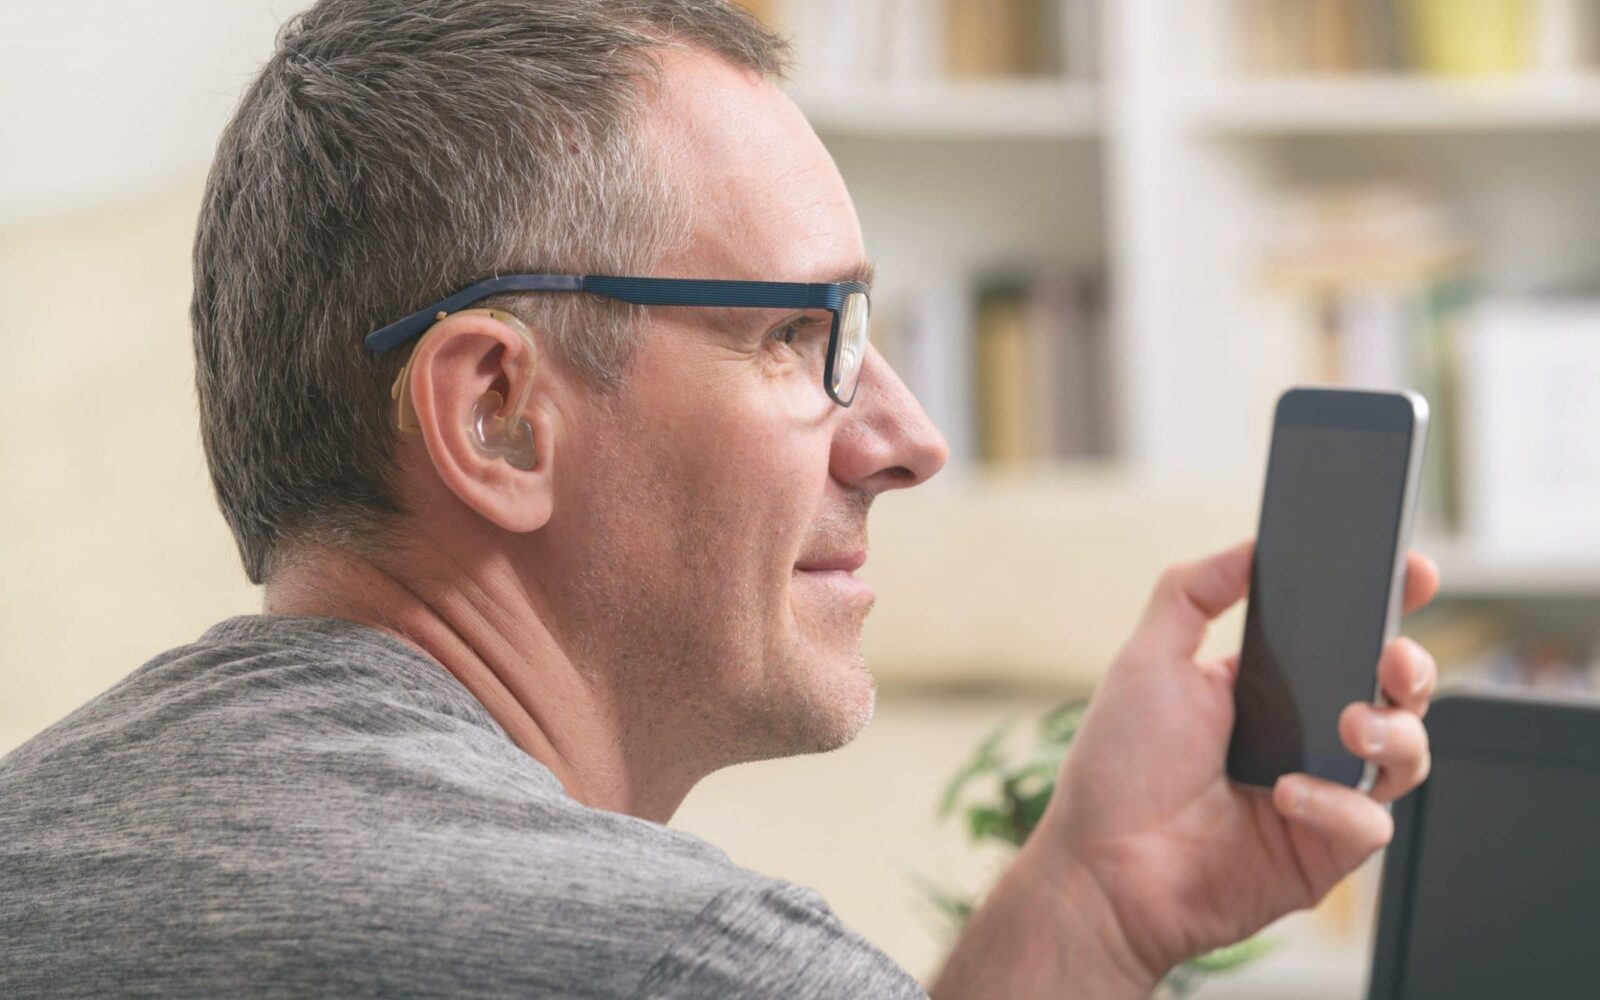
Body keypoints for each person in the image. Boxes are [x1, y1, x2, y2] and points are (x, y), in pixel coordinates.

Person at [0, 1, 1440, 996]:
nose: (910, 441)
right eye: (800, 335)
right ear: (497, 417)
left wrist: (1086, 912)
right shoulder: (697, 966)